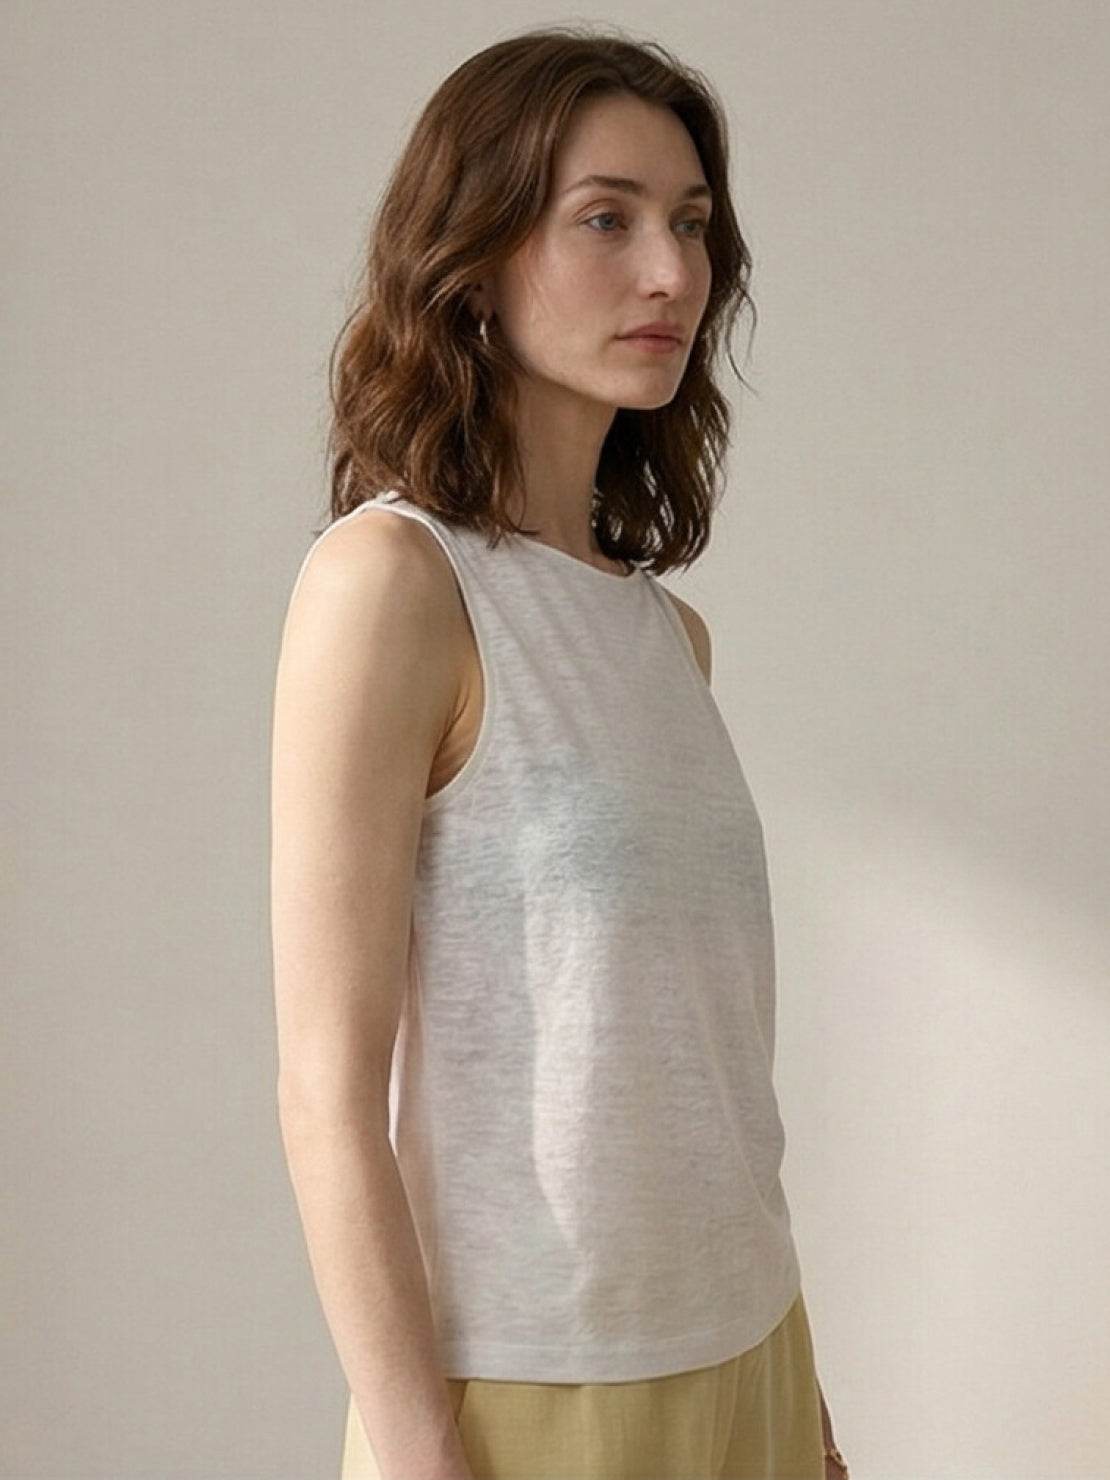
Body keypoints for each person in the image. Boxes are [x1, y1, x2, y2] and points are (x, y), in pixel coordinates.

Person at [271, 23, 850, 1480]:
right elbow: (326, 1088)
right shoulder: (392, 586)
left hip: (750, 1355)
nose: (670, 274)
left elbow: (703, 1066)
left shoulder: (667, 636)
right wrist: (419, 1451)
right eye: (606, 218)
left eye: (692, 225)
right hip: (534, 1390)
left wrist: (811, 1412)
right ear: (473, 258)